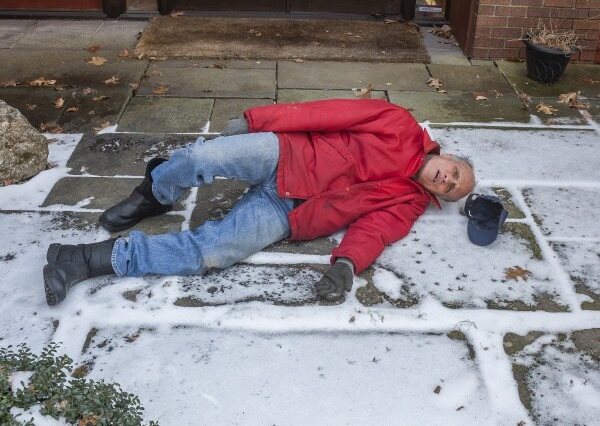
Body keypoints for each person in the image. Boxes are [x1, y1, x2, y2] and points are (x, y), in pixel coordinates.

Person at [43, 99, 475, 306]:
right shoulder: (399, 123)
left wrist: (347, 265)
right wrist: (255, 121)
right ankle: (155, 193)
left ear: (440, 197)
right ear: (449, 155)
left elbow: (374, 232)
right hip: (286, 153)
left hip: (290, 212)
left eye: (451, 189)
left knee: (214, 252)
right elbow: (325, 114)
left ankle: (86, 259)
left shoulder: (408, 203)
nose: (447, 179)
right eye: (454, 172)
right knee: (201, 157)